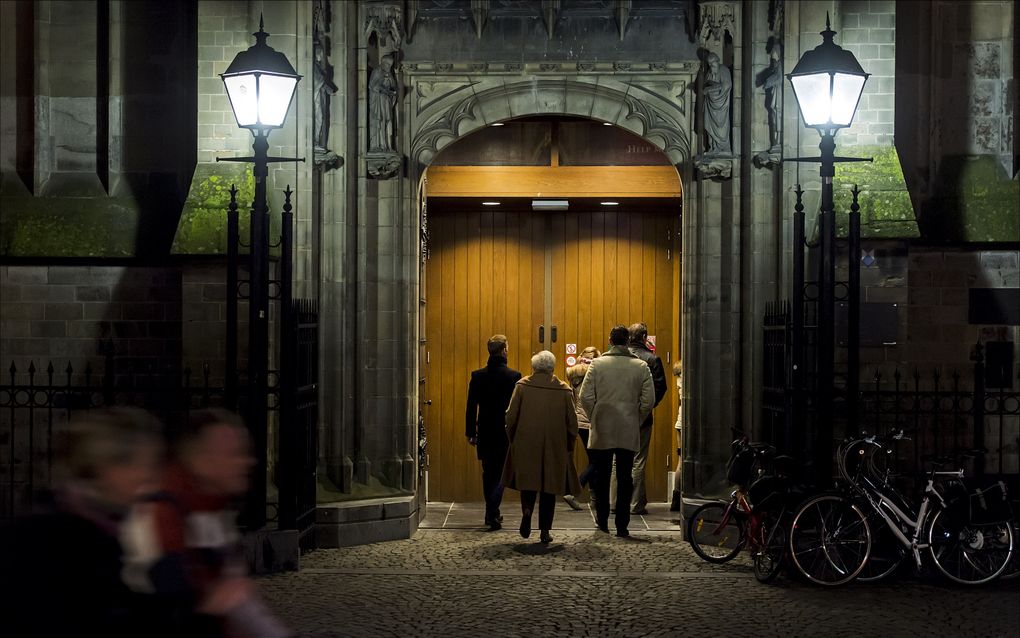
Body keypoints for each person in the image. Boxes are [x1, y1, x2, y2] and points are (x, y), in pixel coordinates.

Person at [121, 409, 292, 638]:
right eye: (234, 454)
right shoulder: (161, 511)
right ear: (202, 460)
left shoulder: (214, 508)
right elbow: (163, 609)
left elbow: (240, 605)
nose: (248, 462)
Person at [1, 407, 163, 637]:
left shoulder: (116, 526)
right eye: (145, 465)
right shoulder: (50, 539)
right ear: (105, 468)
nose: (153, 477)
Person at [579, 326, 655, 538]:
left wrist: (596, 415)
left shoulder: (597, 364)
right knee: (625, 477)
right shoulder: (641, 366)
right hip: (628, 428)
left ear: (610, 340)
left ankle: (602, 522)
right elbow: (648, 401)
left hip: (602, 428)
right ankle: (622, 525)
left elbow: (585, 397)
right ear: (628, 341)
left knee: (602, 476)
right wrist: (635, 418)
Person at [502, 350, 581, 544]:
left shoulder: (522, 386)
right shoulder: (563, 390)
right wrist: (569, 445)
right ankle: (545, 531)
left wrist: (513, 439)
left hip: (526, 441)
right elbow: (572, 423)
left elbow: (510, 416)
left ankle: (527, 511)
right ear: (552, 368)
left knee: (528, 483)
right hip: (555, 444)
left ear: (534, 367)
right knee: (549, 489)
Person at [466, 335, 522, 530]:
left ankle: (492, 513)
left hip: (485, 430)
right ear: (504, 350)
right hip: (505, 431)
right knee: (501, 473)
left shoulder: (477, 376)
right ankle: (492, 512)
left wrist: (470, 432)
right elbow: (517, 407)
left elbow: (471, 406)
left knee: (488, 472)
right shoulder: (514, 376)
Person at [626, 322, 667, 515]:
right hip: (642, 416)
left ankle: (615, 502)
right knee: (638, 459)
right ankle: (635, 503)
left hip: (620, 415)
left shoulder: (621, 357)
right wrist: (648, 407)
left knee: (618, 460)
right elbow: (660, 388)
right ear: (644, 337)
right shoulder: (652, 359)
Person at [564, 346, 601, 507]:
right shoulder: (594, 374)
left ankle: (594, 499)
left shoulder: (574, 375)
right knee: (597, 461)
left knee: (593, 460)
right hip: (592, 421)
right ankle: (574, 491)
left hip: (579, 422)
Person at [670, 361, 684, 511]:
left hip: (679, 422)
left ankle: (675, 498)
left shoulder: (678, 378)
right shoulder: (690, 378)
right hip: (687, 423)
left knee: (680, 461)